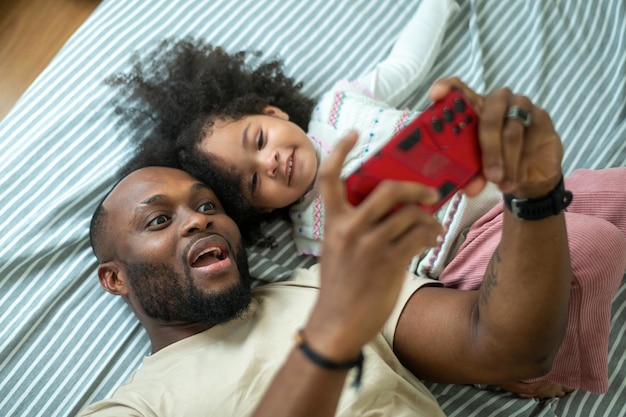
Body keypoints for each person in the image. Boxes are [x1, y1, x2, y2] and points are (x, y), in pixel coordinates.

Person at [106, 2, 626, 395]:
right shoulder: (312, 236)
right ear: (258, 209)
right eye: (253, 182)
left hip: (502, 186)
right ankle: (557, 361)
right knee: (593, 244)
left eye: (259, 140)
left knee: (614, 191)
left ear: (274, 112)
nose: (269, 162)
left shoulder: (339, 106)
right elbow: (374, 283)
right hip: (466, 253)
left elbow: (407, 63)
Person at [81, 79, 575, 416]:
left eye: (209, 205)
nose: (198, 221)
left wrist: (533, 197)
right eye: (160, 220)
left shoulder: (322, 284)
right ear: (114, 277)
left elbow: (508, 350)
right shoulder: (139, 405)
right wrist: (329, 341)